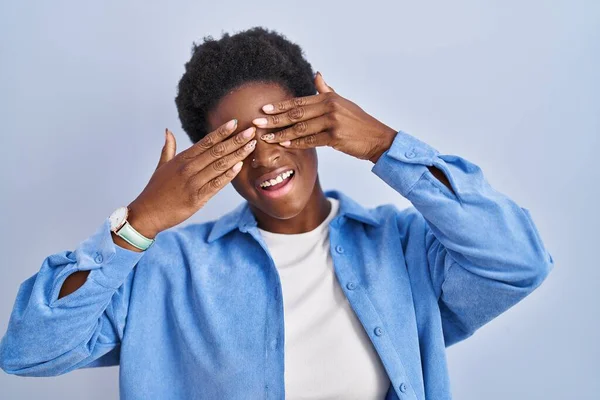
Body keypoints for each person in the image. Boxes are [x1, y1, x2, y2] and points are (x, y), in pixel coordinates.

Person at [0, 26, 553, 400]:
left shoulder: (402, 248)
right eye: (236, 143)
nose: (265, 156)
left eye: (280, 128)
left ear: (318, 120)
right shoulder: (167, 271)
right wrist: (139, 221)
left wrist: (386, 144)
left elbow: (519, 261)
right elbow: (29, 353)